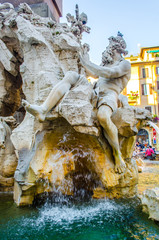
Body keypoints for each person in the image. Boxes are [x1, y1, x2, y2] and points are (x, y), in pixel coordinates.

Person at [22, 32, 131, 174]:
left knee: (103, 116)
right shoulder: (105, 64)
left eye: (109, 46)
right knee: (71, 75)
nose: (106, 49)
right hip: (93, 92)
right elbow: (93, 74)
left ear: (116, 47)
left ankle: (117, 154)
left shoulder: (124, 64)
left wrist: (87, 62)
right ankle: (43, 109)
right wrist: (82, 56)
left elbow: (109, 73)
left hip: (110, 95)